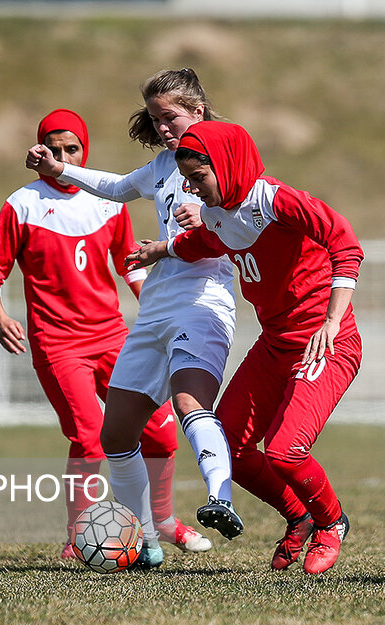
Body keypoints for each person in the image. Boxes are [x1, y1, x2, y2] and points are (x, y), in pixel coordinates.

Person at [125, 120, 364, 575]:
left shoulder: (273, 198)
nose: (193, 191)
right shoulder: (216, 212)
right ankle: (298, 516)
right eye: (188, 182)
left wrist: (331, 322)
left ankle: (331, 523)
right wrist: (160, 249)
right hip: (276, 345)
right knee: (231, 445)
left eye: (198, 179)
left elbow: (344, 241)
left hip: (325, 343)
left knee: (284, 451)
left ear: (227, 165)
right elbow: (205, 242)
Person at [0, 108, 211, 565]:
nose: (63, 156)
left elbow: (130, 260)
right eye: (55, 148)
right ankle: (78, 536)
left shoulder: (107, 200)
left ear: (84, 151)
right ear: (40, 148)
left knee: (162, 434)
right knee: (88, 437)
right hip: (59, 345)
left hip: (113, 338)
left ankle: (161, 522)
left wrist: (155, 304)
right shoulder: (21, 204)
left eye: (72, 149)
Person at [24, 70, 244, 551]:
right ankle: (143, 541)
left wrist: (203, 219)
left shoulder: (227, 158)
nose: (163, 127)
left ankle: (220, 498)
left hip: (202, 302)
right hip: (155, 309)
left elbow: (244, 218)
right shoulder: (165, 164)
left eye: (171, 117)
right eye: (155, 119)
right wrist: (59, 171)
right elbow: (117, 186)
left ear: (198, 111)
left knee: (189, 404)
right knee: (116, 433)